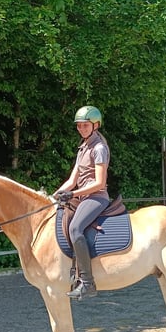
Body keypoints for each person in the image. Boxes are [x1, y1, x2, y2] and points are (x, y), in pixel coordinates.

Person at [54, 105, 110, 299]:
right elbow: (72, 180)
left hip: (96, 197)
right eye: (79, 126)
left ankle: (87, 282)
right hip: (82, 196)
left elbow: (99, 182)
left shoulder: (99, 148)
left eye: (85, 125)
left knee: (75, 228)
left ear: (96, 125)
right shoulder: (83, 148)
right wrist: (57, 194)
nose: (81, 129)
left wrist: (74, 194)